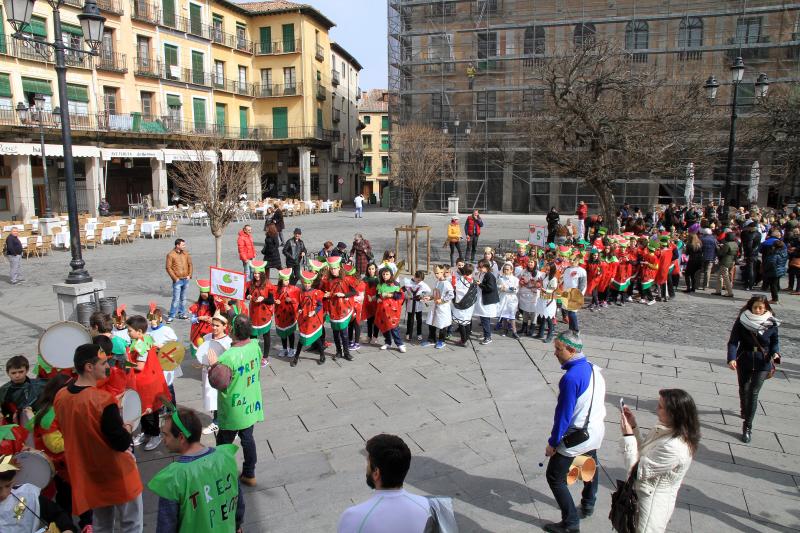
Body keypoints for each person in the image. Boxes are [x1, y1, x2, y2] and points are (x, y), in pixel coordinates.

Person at [54, 344, 143, 533]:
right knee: (131, 524)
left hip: (90, 473)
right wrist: (126, 426)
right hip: (117, 472)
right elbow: (121, 443)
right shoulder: (103, 400)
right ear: (89, 367)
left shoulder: (61, 396)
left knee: (102, 525)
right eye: (103, 363)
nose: (108, 367)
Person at [543, 331, 606, 533]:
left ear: (571, 350)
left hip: (576, 437)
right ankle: (588, 504)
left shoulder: (570, 378)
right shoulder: (593, 368)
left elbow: (563, 415)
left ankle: (570, 523)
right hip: (595, 431)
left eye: (558, 349)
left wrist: (553, 442)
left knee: (555, 477)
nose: (555, 353)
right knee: (587, 466)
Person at [148, 407, 245, 533]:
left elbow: (166, 526)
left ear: (181, 438)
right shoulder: (226, 457)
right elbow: (238, 501)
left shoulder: (173, 479)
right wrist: (237, 525)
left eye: (166, 435)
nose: (163, 440)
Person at [620, 389, 700, 533]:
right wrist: (633, 426)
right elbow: (644, 453)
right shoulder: (666, 430)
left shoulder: (675, 447)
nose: (656, 409)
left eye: (661, 407)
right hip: (642, 499)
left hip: (649, 509)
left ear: (674, 414)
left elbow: (636, 470)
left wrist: (628, 436)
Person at [209, 315, 264, 487]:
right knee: (248, 439)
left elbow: (218, 382)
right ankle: (249, 473)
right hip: (249, 404)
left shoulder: (228, 357)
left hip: (233, 408)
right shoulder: (255, 346)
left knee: (224, 443)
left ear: (232, 331)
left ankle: (222, 473)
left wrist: (213, 365)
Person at [337, 434, 432, 533]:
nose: (366, 468)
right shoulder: (428, 507)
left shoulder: (353, 517)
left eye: (368, 463)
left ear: (376, 473)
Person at [727, 295, 780, 443]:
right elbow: (733, 342)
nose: (757, 310)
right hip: (745, 358)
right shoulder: (742, 320)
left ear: (766, 309)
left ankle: (747, 427)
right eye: (755, 307)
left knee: (753, 392)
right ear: (750, 306)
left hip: (763, 361)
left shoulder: (771, 322)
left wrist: (775, 353)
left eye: (760, 308)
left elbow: (775, 341)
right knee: (744, 388)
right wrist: (731, 358)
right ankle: (744, 408)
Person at [0, 455, 77, 533]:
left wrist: (67, 529)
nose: (4, 493)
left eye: (8, 485)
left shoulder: (27, 494)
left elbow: (58, 514)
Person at [128, 315, 170, 451]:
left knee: (149, 410)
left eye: (130, 330)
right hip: (145, 381)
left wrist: (126, 364)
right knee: (144, 410)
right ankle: (146, 433)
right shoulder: (145, 338)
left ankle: (155, 435)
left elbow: (139, 366)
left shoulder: (141, 345)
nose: (128, 333)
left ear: (139, 331)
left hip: (146, 383)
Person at [197, 312, 231, 435]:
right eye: (213, 325)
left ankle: (219, 422)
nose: (214, 328)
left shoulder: (228, 342)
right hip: (207, 373)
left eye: (217, 325)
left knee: (220, 398)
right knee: (212, 397)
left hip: (221, 375)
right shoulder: (207, 337)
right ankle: (217, 421)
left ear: (224, 326)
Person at [321, 257, 356, 361]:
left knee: (344, 333)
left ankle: (347, 353)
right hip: (333, 309)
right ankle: (338, 352)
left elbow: (355, 292)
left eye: (335, 268)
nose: (333, 271)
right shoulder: (328, 281)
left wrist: (344, 294)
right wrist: (325, 294)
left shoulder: (346, 279)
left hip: (344, 309)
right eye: (331, 269)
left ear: (340, 268)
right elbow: (323, 292)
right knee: (335, 333)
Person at [292, 270, 327, 366]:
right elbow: (300, 304)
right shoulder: (300, 292)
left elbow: (320, 305)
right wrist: (299, 309)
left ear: (311, 283)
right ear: (303, 283)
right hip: (303, 319)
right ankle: (296, 357)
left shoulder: (316, 293)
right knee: (301, 339)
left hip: (313, 319)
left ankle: (322, 355)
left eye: (309, 283)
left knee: (316, 338)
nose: (307, 285)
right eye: (305, 283)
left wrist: (314, 311)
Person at [247, 261, 276, 367]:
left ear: (262, 274)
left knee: (266, 335)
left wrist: (263, 299)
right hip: (253, 314)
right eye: (255, 273)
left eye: (258, 273)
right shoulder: (250, 283)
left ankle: (265, 357)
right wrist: (248, 296)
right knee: (253, 335)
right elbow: (247, 293)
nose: (256, 275)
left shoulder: (268, 284)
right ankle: (254, 354)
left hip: (265, 315)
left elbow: (271, 300)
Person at [0, 356, 43, 424]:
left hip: (37, 422)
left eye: (21, 372)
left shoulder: (39, 385)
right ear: (8, 373)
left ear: (27, 370)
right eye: (13, 373)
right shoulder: (3, 390)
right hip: (13, 426)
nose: (17, 375)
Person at [421, 265, 453, 349]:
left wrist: (442, 300)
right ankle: (431, 339)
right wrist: (430, 297)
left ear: (443, 272)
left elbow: (451, 295)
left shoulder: (447, 284)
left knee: (442, 324)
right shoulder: (437, 282)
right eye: (435, 273)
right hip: (435, 306)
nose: (437, 275)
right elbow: (436, 294)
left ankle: (441, 341)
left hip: (443, 307)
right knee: (431, 322)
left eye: (438, 273)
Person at [375, 267, 406, 352]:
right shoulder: (379, 285)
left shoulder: (395, 284)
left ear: (391, 275)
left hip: (393, 310)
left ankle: (400, 344)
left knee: (394, 327)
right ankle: (388, 342)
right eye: (383, 274)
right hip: (382, 309)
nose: (385, 276)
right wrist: (378, 298)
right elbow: (378, 294)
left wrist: (391, 295)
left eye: (387, 274)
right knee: (384, 327)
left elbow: (400, 296)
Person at [274, 268, 301, 357]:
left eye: (288, 279)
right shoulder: (276, 289)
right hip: (280, 315)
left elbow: (299, 300)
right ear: (280, 280)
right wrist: (275, 301)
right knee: (283, 333)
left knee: (290, 333)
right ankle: (284, 348)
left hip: (290, 315)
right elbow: (272, 298)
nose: (287, 281)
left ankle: (292, 349)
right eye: (285, 280)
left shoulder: (294, 289)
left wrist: (292, 300)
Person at [166, 238, 193, 323]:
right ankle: (171, 315)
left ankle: (181, 313)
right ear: (177, 245)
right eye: (183, 245)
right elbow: (168, 267)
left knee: (183, 298)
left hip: (186, 279)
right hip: (178, 280)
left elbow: (190, 264)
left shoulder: (186, 253)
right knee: (176, 299)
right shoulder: (171, 255)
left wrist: (190, 275)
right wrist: (175, 278)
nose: (184, 246)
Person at [474, 259, 499, 345]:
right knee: (483, 318)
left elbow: (490, 288)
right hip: (482, 299)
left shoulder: (489, 275)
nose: (480, 268)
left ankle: (488, 337)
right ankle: (486, 334)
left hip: (487, 300)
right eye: (479, 266)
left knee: (485, 318)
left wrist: (480, 284)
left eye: (482, 267)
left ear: (487, 267)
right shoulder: (481, 274)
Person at [404, 271, 431, 342]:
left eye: (421, 280)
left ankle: (419, 333)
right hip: (411, 303)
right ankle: (408, 333)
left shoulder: (422, 284)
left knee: (419, 320)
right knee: (409, 320)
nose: (419, 281)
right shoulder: (408, 282)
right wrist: (407, 296)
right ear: (414, 276)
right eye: (418, 279)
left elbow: (428, 290)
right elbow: (403, 291)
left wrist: (422, 295)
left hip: (418, 304)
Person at [496, 262, 520, 338]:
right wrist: (506, 289)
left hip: (512, 299)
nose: (506, 271)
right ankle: (505, 330)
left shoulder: (515, 279)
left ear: (511, 270)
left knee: (512, 316)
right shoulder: (501, 278)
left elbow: (515, 290)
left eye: (507, 269)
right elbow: (499, 288)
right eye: (504, 269)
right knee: (504, 315)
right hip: (503, 298)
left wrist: (506, 289)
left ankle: (514, 331)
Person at [762, 238, 788, 303]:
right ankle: (775, 297)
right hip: (780, 269)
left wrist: (765, 269)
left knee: (773, 285)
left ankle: (775, 299)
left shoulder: (774, 254)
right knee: (775, 284)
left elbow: (771, 263)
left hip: (774, 271)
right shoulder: (784, 253)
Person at [740, 220, 762, 291]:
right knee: (753, 269)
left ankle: (749, 284)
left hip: (751, 254)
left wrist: (747, 252)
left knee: (750, 269)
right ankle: (751, 284)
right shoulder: (758, 234)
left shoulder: (751, 234)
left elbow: (749, 245)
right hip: (755, 254)